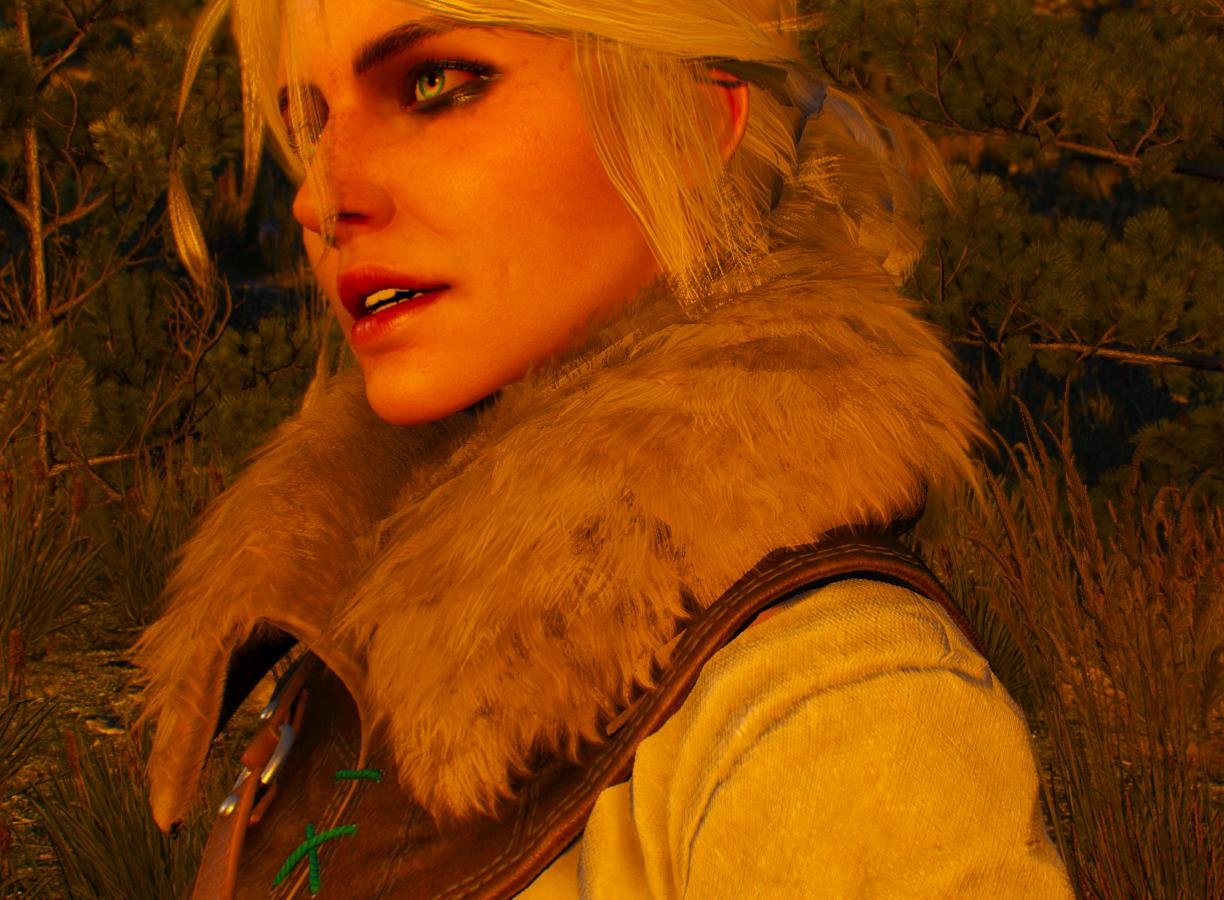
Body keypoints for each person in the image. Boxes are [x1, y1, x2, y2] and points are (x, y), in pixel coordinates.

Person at [133, 0, 1075, 896]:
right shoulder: (365, 598)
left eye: (434, 84)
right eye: (313, 121)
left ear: (696, 125)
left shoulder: (835, 710)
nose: (320, 196)